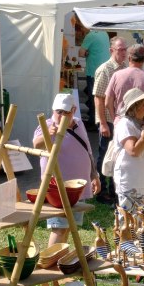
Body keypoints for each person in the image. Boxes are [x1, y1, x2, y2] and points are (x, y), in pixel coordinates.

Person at [33, 93, 100, 246]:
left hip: (77, 188)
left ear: (74, 110)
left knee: (69, 226)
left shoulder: (79, 124)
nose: (61, 115)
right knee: (59, 228)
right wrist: (47, 134)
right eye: (59, 111)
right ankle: (50, 260)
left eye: (66, 112)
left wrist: (94, 175)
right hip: (57, 188)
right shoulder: (47, 125)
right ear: (53, 110)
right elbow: (36, 145)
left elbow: (88, 151)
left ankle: (59, 259)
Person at [112, 88, 144, 212]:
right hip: (132, 183)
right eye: (143, 103)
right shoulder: (125, 124)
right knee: (130, 222)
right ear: (134, 106)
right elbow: (134, 151)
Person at [92, 36, 128, 204]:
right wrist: (103, 123)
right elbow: (98, 98)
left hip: (120, 121)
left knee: (118, 155)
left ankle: (115, 189)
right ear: (111, 50)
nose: (123, 52)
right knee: (104, 155)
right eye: (120, 49)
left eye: (124, 49)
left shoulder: (124, 68)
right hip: (108, 120)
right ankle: (101, 190)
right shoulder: (105, 69)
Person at [105, 43, 144, 127]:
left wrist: (115, 119)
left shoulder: (116, 76)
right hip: (143, 125)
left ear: (129, 58)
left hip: (122, 124)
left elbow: (107, 102)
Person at [78, 28, 110, 127]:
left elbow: (81, 53)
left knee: (93, 97)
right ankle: (99, 120)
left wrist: (87, 53)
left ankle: (94, 121)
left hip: (93, 71)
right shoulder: (104, 33)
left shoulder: (90, 36)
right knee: (100, 96)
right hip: (104, 70)